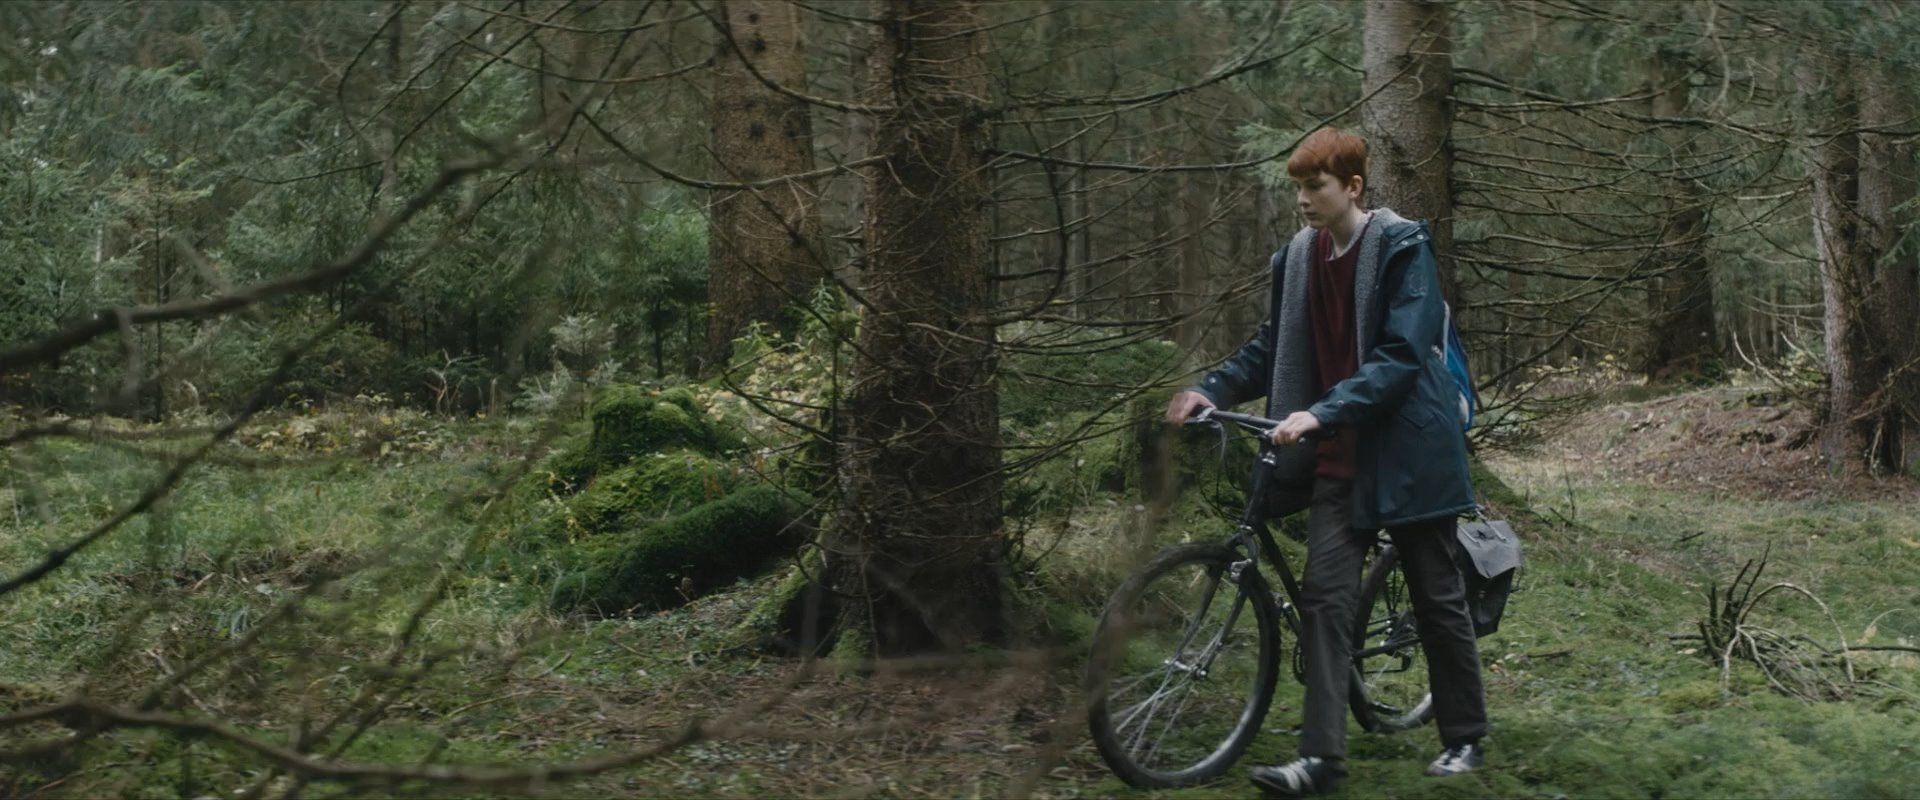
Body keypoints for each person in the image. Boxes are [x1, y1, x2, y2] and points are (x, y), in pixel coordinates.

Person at [1163, 127, 1487, 797]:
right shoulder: (1298, 260)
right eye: (1299, 188)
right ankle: (1320, 762)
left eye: (1316, 187)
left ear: (1353, 187)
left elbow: (1402, 354)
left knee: (1436, 599)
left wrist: (1321, 411)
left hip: (1410, 452)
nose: (1303, 200)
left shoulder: (1402, 248)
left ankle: (1463, 737)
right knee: (1324, 602)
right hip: (1340, 456)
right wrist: (1212, 389)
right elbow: (1272, 346)